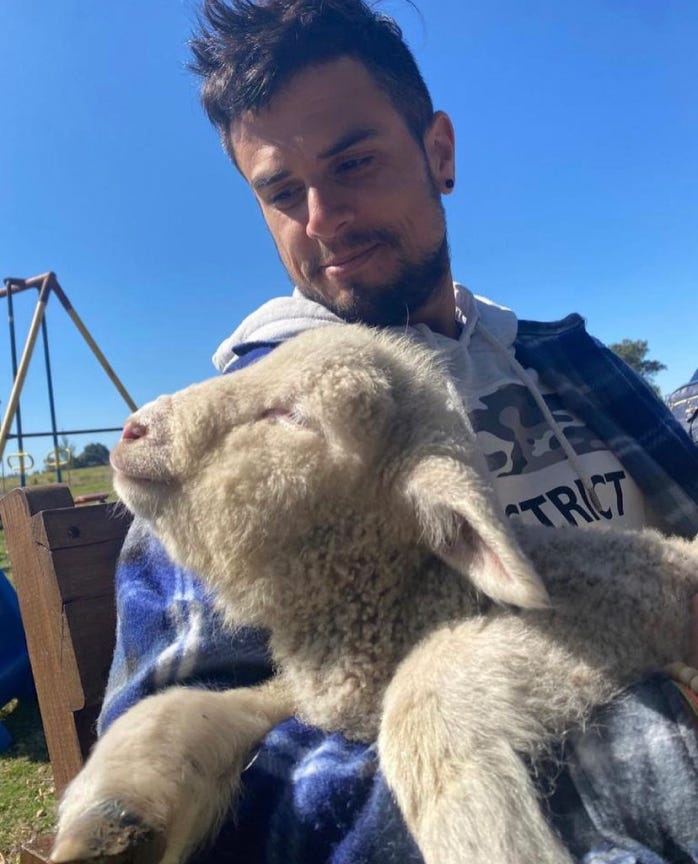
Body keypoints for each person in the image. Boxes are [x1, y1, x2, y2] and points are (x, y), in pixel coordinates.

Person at [99, 1, 698, 862]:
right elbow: (266, 797)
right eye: (280, 191)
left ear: (439, 153)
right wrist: (660, 746)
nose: (323, 217)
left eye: (355, 162)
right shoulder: (229, 448)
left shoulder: (566, 358)